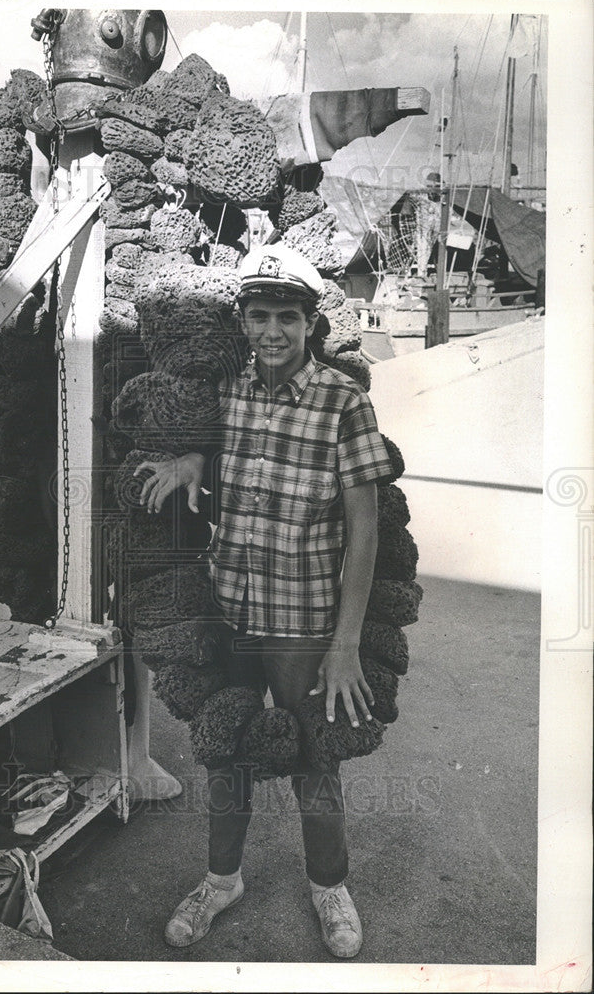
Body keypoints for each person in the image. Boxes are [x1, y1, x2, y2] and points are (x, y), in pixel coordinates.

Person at [134, 243, 394, 958]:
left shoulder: (343, 401)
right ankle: (221, 880)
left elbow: (364, 531)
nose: (271, 331)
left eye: (286, 316)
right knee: (226, 750)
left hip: (303, 622)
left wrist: (343, 647)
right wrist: (193, 459)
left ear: (310, 324)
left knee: (313, 757)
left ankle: (328, 887)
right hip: (231, 611)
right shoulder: (229, 391)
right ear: (242, 321)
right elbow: (232, 453)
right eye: (258, 316)